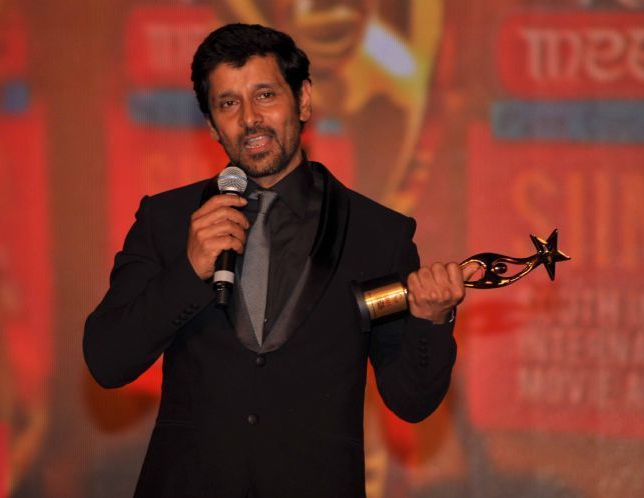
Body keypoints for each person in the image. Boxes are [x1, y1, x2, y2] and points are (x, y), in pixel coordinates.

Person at [84, 23, 477, 498]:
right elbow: (107, 361)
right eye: (228, 103)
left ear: (303, 101)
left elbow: (411, 400)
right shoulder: (167, 220)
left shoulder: (376, 236)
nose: (250, 118)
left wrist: (430, 321)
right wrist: (188, 270)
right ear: (212, 125)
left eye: (265, 95)